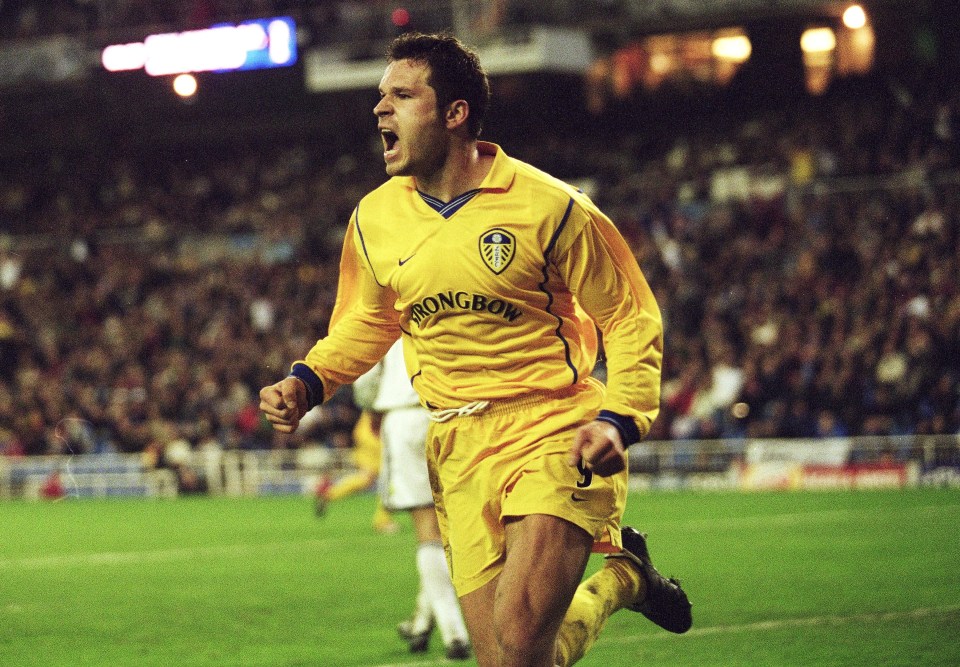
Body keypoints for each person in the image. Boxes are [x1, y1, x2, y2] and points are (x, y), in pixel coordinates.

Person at [260, 32, 691, 667]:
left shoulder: (551, 207)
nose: (381, 109)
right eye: (381, 96)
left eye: (402, 96)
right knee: (510, 661)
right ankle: (624, 579)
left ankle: (620, 575)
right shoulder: (373, 220)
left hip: (553, 426)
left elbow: (628, 314)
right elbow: (366, 322)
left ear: (455, 113)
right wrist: (308, 380)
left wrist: (620, 416)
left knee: (518, 636)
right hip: (457, 444)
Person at [352, 340, 471, 660]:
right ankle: (421, 621)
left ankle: (454, 633)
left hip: (404, 417)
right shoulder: (448, 308)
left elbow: (365, 379)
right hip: (453, 416)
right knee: (452, 531)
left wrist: (372, 410)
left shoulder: (390, 320)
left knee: (428, 530)